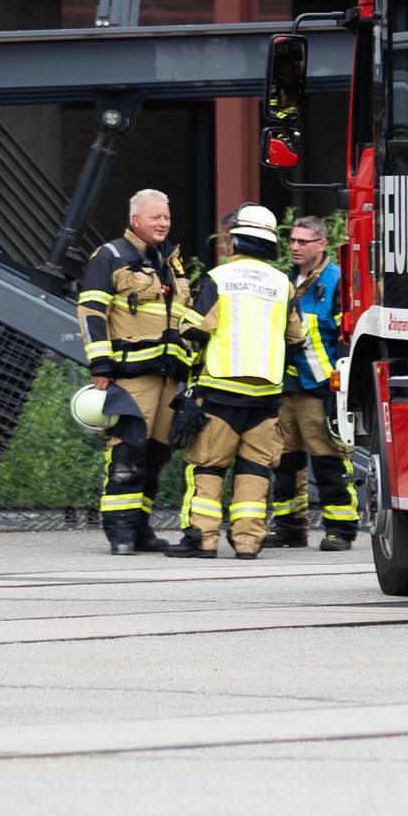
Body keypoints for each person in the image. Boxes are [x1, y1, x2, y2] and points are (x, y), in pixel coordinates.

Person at [168, 204, 305, 560]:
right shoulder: (283, 284)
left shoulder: (220, 278)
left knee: (208, 466)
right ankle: (248, 542)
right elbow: (297, 337)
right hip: (267, 397)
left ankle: (202, 539)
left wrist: (180, 315)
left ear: (236, 241)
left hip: (221, 392)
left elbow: (195, 327)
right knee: (255, 470)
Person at [78, 189, 197, 556]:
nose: (163, 223)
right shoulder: (110, 256)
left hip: (168, 376)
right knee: (127, 452)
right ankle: (120, 532)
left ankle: (140, 526)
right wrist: (100, 364)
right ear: (135, 220)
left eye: (166, 217)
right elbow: (91, 312)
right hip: (131, 376)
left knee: (156, 455)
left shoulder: (169, 262)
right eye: (155, 217)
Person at [272, 216, 360, 550]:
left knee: (328, 459)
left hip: (320, 387)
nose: (295, 247)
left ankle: (340, 528)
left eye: (303, 241)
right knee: (285, 461)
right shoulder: (284, 280)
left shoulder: (337, 282)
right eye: (292, 240)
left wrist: (341, 385)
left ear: (321, 244)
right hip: (286, 386)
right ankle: (289, 527)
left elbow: (345, 337)